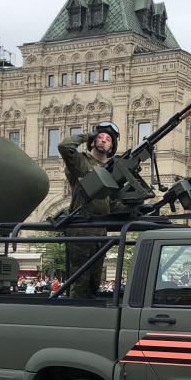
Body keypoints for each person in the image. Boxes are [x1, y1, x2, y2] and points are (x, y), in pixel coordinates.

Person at [57, 122, 122, 299]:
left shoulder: (111, 170)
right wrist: (87, 135)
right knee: (80, 278)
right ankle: (77, 316)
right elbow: (64, 146)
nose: (103, 140)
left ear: (111, 148)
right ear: (93, 142)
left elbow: (112, 204)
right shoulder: (81, 161)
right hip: (82, 225)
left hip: (101, 228)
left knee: (95, 279)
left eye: (108, 139)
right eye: (100, 137)